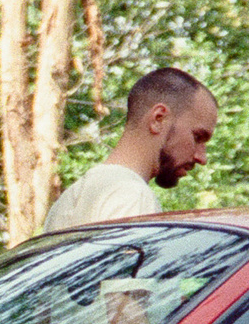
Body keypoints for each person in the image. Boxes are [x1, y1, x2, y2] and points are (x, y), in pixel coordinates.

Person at [43, 67, 219, 232]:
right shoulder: (133, 197)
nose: (202, 157)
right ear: (158, 119)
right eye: (197, 137)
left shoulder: (67, 201)